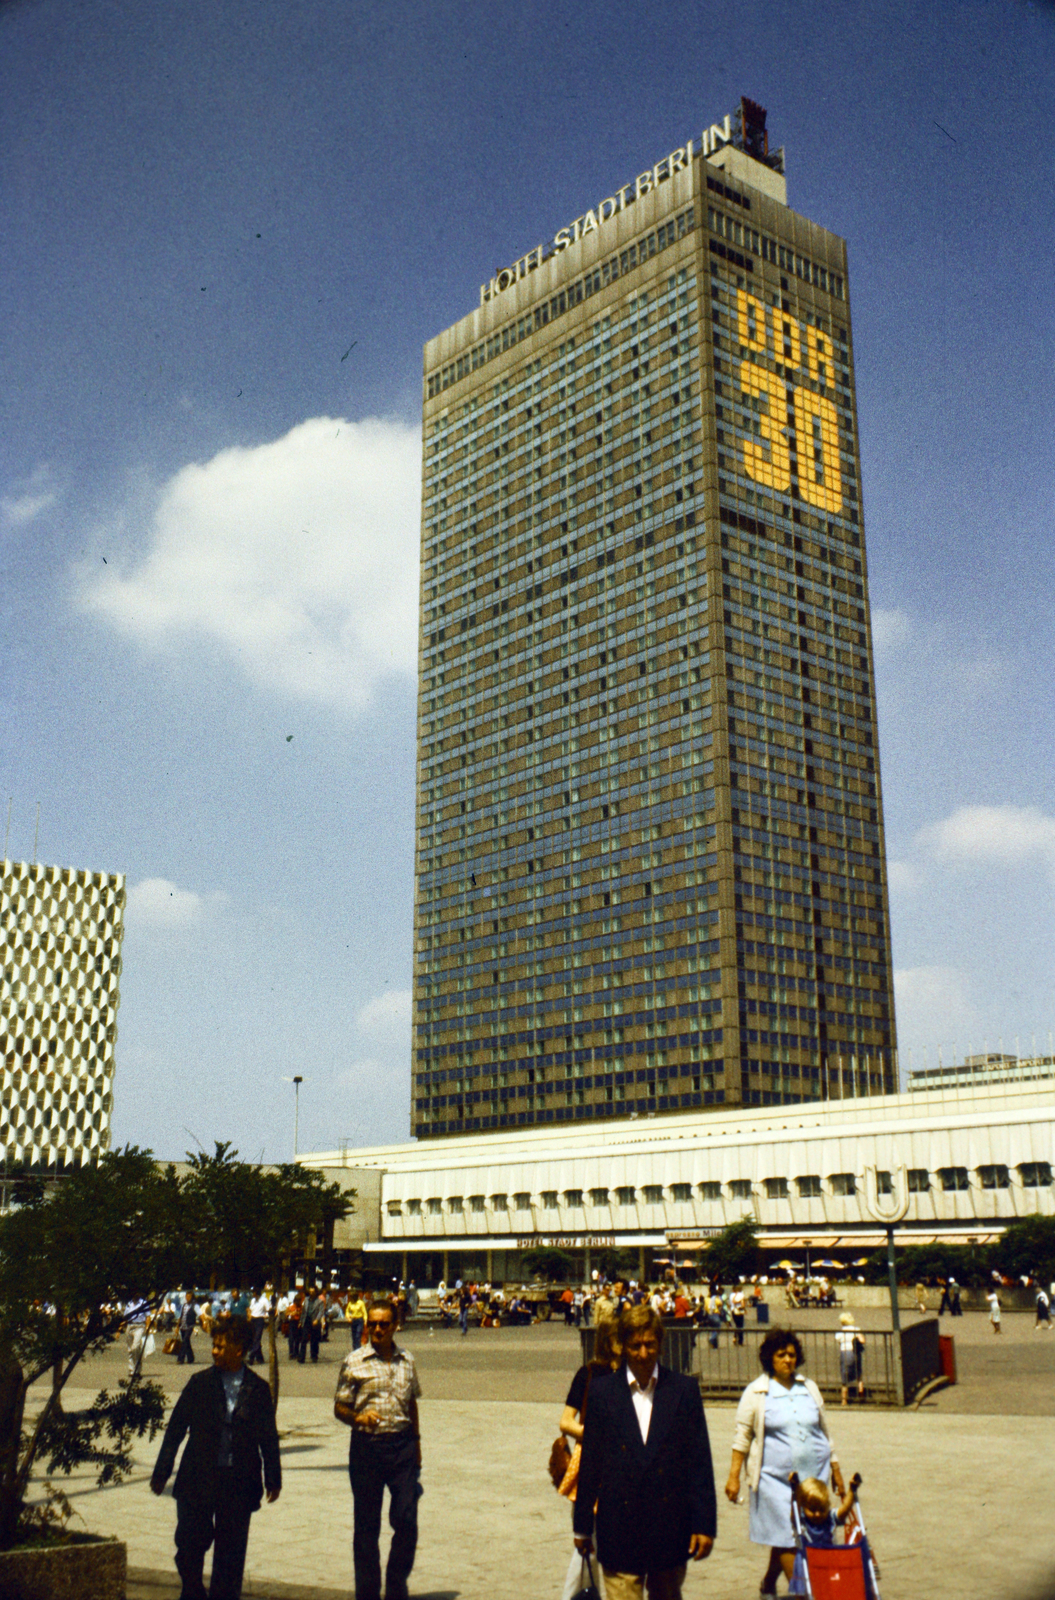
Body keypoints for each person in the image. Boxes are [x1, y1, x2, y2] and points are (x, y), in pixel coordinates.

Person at [573, 1304, 716, 1600]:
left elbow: (699, 1462)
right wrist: (583, 1528)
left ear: (660, 1344)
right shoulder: (602, 1392)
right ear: (623, 1346)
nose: (643, 1353)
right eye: (635, 1345)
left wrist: (704, 1524)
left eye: (650, 1344)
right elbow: (591, 1464)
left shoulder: (683, 1390)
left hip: (669, 1526)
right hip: (619, 1527)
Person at [150, 1316, 281, 1600]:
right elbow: (175, 1429)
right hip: (198, 1478)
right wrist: (162, 1471)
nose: (215, 1351)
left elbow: (267, 1436)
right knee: (189, 1545)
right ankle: (193, 1590)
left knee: (231, 1556)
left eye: (221, 1346)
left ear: (239, 1349)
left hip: (238, 1482)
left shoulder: (258, 1389)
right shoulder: (199, 1383)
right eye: (214, 1345)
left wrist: (273, 1477)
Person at [725, 1327, 845, 1597]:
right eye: (781, 1355)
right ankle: (803, 1592)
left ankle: (768, 1583)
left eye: (791, 1355)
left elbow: (824, 1432)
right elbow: (742, 1437)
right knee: (789, 1538)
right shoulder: (756, 1392)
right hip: (773, 1481)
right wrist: (734, 1477)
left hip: (813, 1478)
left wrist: (836, 1469)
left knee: (792, 1536)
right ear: (770, 1358)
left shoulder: (808, 1388)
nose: (788, 1360)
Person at [334, 1296, 422, 1600]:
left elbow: (412, 1403)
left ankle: (397, 1587)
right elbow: (339, 1407)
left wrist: (417, 1445)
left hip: (402, 1448)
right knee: (366, 1528)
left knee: (406, 1520)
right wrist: (358, 1417)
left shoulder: (407, 1360)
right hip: (367, 1449)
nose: (377, 1329)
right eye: (373, 1324)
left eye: (384, 1324)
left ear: (396, 1326)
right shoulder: (354, 1361)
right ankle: (368, 1594)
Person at [835, 1312, 865, 1406]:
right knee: (859, 1375)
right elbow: (862, 1340)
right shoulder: (856, 1329)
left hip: (845, 1353)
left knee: (844, 1377)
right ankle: (861, 1396)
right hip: (855, 1352)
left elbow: (838, 1341)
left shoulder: (840, 1332)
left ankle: (844, 1400)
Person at [178, 1291, 198, 1366]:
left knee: (184, 1341)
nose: (188, 1298)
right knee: (186, 1342)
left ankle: (180, 1358)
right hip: (183, 1326)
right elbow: (181, 1315)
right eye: (187, 1296)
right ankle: (191, 1358)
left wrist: (204, 1322)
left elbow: (200, 1314)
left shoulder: (195, 1306)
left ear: (192, 1297)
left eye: (189, 1297)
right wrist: (177, 1326)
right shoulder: (184, 1305)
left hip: (190, 1325)